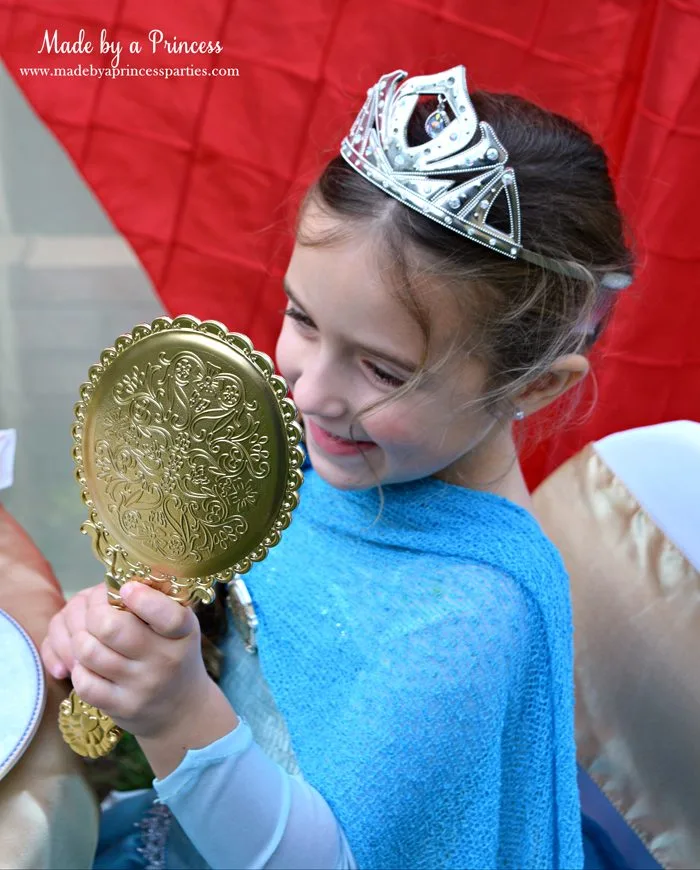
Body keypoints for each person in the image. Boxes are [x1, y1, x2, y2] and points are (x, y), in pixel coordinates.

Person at [40, 65, 633, 869]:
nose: (310, 391)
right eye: (301, 317)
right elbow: (253, 625)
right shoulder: (352, 467)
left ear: (531, 386)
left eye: (384, 371)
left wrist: (177, 713)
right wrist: (136, 635)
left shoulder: (469, 621)